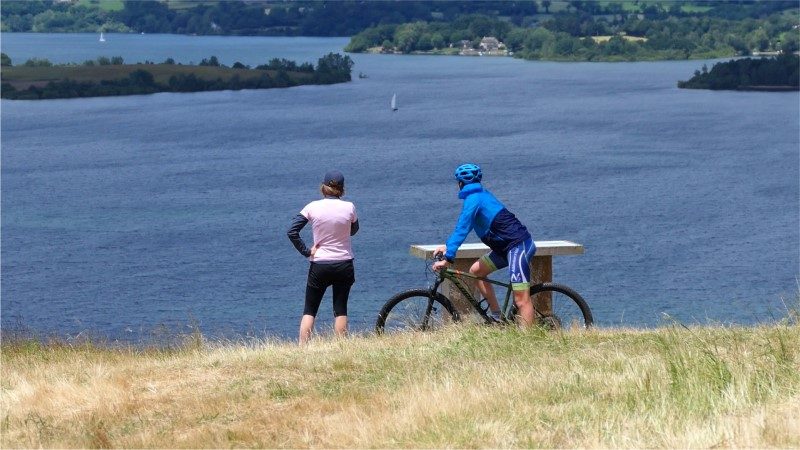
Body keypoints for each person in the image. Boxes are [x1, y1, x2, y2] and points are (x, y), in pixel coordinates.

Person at [432, 163, 536, 326]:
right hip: (505, 248)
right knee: (477, 271)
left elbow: (463, 227)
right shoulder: (478, 196)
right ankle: (496, 317)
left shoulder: (474, 199)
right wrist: (448, 246)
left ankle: (528, 340)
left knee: (521, 299)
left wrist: (447, 258)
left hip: (518, 246)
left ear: (460, 183)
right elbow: (466, 226)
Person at [287, 170, 359, 344]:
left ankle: (303, 349)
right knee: (341, 309)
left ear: (323, 187)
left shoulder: (312, 206)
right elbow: (354, 229)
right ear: (342, 189)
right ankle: (341, 347)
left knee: (310, 310)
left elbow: (292, 231)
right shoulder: (349, 207)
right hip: (344, 263)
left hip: (320, 264)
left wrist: (306, 251)